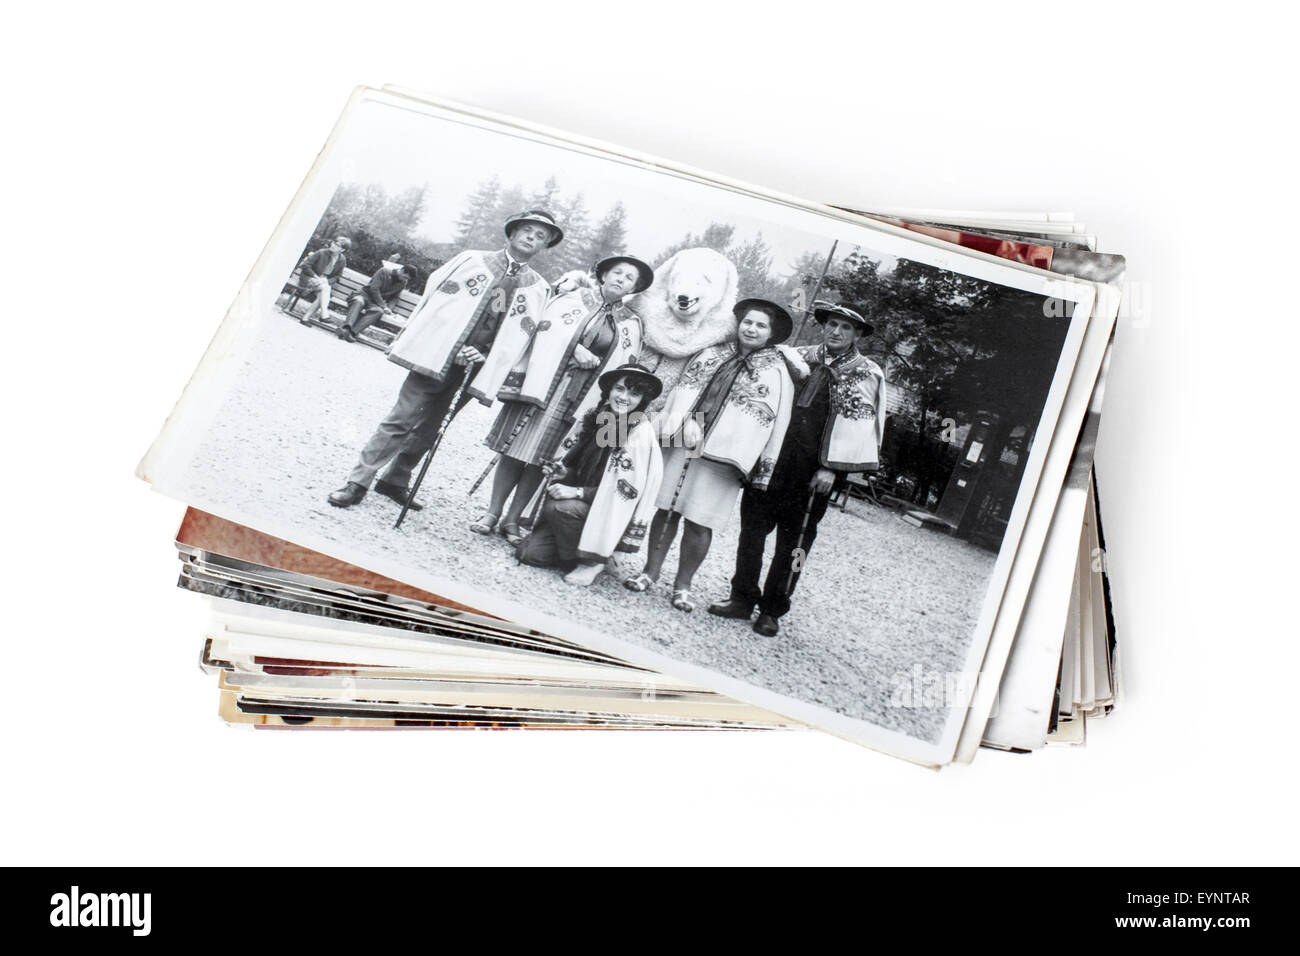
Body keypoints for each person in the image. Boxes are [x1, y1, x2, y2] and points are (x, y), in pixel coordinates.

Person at [327, 210, 563, 509]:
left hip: (475, 367)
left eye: (541, 235)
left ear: (544, 246)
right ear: (513, 233)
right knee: (401, 418)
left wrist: (486, 353)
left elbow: (521, 335)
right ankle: (357, 481)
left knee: (433, 426)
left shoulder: (536, 288)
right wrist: (451, 340)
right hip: (438, 354)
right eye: (527, 230)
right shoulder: (471, 262)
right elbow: (437, 300)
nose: (532, 237)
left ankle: (395, 479)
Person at [708, 302, 887, 637]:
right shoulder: (795, 357)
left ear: (857, 334)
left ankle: (773, 609)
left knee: (796, 544)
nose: (836, 332)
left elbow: (860, 427)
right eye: (832, 324)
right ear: (823, 326)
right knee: (751, 533)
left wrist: (832, 470)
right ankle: (741, 597)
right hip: (772, 460)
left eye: (846, 328)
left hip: (813, 474)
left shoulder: (866, 373)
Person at [625, 299, 796, 612]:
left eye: (760, 325)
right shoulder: (712, 352)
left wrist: (762, 468)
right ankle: (650, 571)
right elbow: (681, 389)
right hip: (683, 440)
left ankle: (683, 585)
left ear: (771, 333)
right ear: (739, 323)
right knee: (666, 510)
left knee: (700, 521)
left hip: (725, 459)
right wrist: (676, 422)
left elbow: (776, 422)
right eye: (748, 322)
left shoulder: (777, 373)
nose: (752, 329)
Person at [473, 254, 653, 544]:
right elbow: (544, 327)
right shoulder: (575, 298)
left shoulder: (631, 324)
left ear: (634, 287)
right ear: (604, 274)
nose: (621, 279)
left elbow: (624, 365)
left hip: (580, 402)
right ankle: (492, 512)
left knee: (543, 458)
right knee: (514, 449)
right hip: (544, 385)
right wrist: (574, 347)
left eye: (630, 278)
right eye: (617, 272)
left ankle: (512, 520)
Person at [516, 363, 664, 586]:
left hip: (610, 513)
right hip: (587, 505)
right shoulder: (597, 418)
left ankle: (595, 560)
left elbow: (623, 493)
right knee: (529, 554)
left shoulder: (639, 433)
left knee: (560, 508)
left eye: (634, 393)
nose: (624, 397)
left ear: (643, 400)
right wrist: (563, 472)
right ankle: (575, 552)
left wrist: (576, 492)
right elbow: (578, 466)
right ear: (609, 391)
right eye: (619, 389)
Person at [336, 262, 414, 342]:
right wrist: (384, 306)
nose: (405, 280)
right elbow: (374, 289)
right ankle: (346, 328)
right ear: (402, 270)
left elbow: (395, 297)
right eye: (405, 277)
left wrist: (389, 308)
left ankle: (352, 333)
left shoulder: (403, 282)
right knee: (358, 302)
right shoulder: (383, 271)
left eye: (407, 279)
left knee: (378, 311)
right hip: (363, 295)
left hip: (375, 303)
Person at [296, 235, 351, 325]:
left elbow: (338, 276)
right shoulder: (321, 252)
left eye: (337, 245)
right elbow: (305, 265)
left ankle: (305, 318)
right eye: (334, 243)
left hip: (322, 283)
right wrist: (317, 277)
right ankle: (324, 314)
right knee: (325, 289)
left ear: (342, 250)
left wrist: (326, 281)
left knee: (323, 293)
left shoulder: (342, 260)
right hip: (309, 279)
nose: (333, 245)